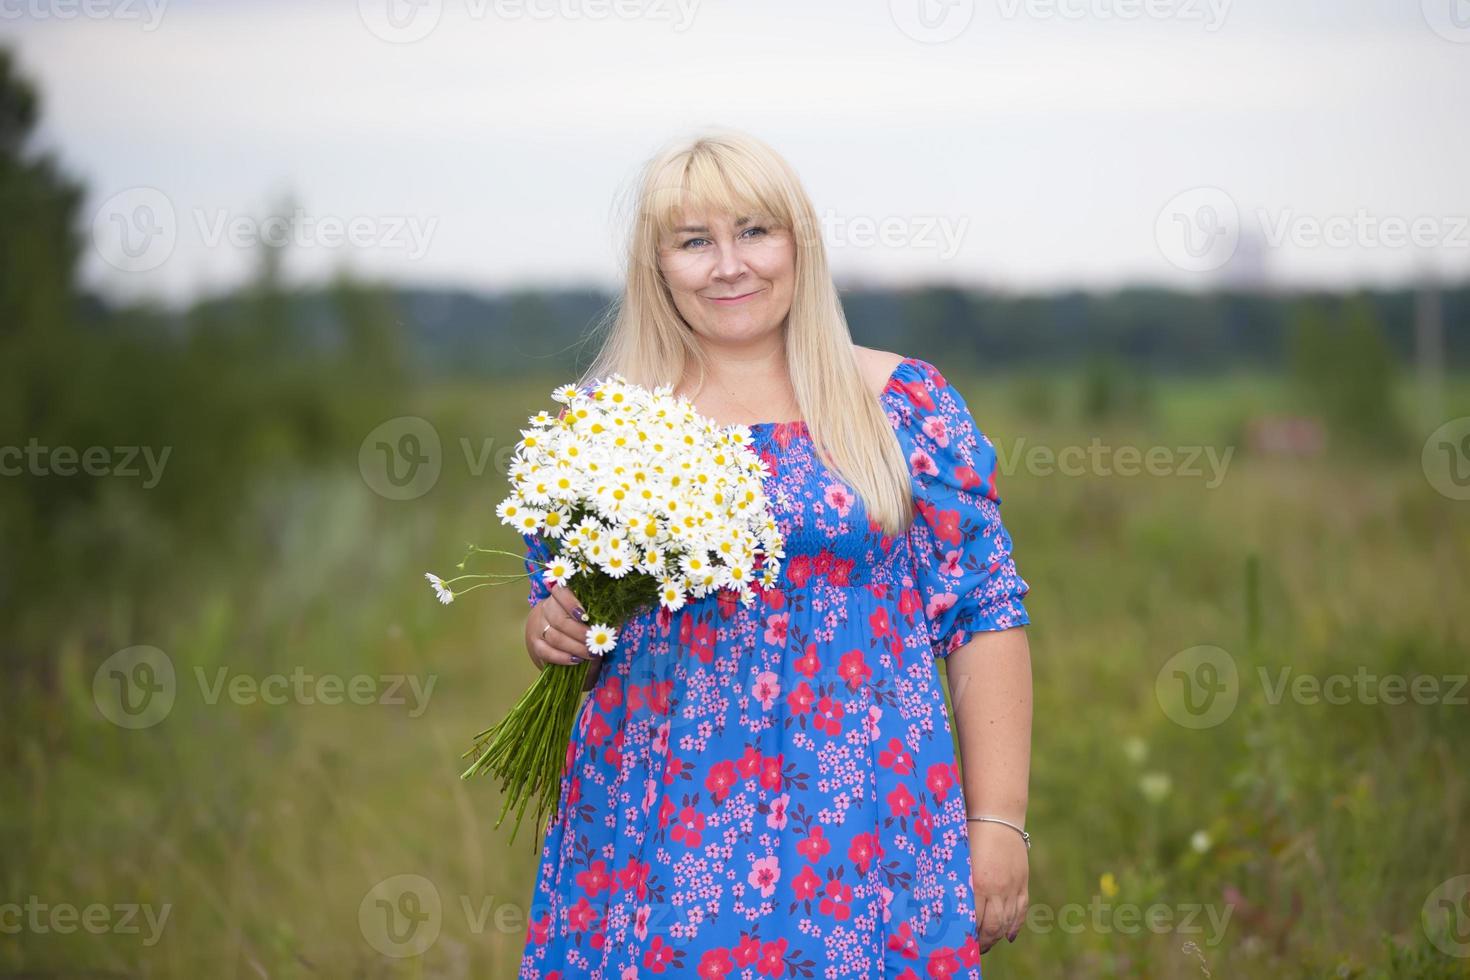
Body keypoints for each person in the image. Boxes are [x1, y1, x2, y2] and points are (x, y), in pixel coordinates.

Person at [518, 128, 1033, 979]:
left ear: (800, 242)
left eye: (754, 231)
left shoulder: (901, 404)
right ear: (658, 266)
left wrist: (998, 822)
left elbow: (986, 616)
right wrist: (549, 628)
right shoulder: (604, 428)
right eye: (694, 242)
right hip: (658, 826)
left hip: (865, 824)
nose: (729, 265)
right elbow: (562, 613)